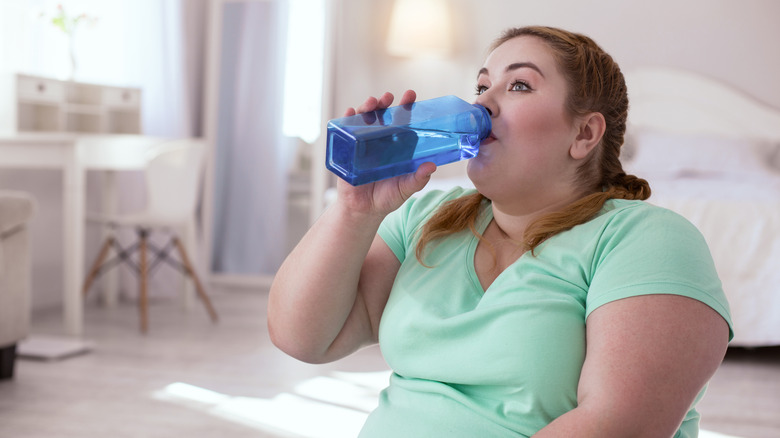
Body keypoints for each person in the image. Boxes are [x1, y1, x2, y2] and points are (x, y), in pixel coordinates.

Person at [268, 26, 733, 437]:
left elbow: (618, 426)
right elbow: (303, 338)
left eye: (519, 85)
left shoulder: (644, 239)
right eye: (482, 84)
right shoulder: (430, 214)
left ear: (585, 134)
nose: (482, 103)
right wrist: (355, 211)